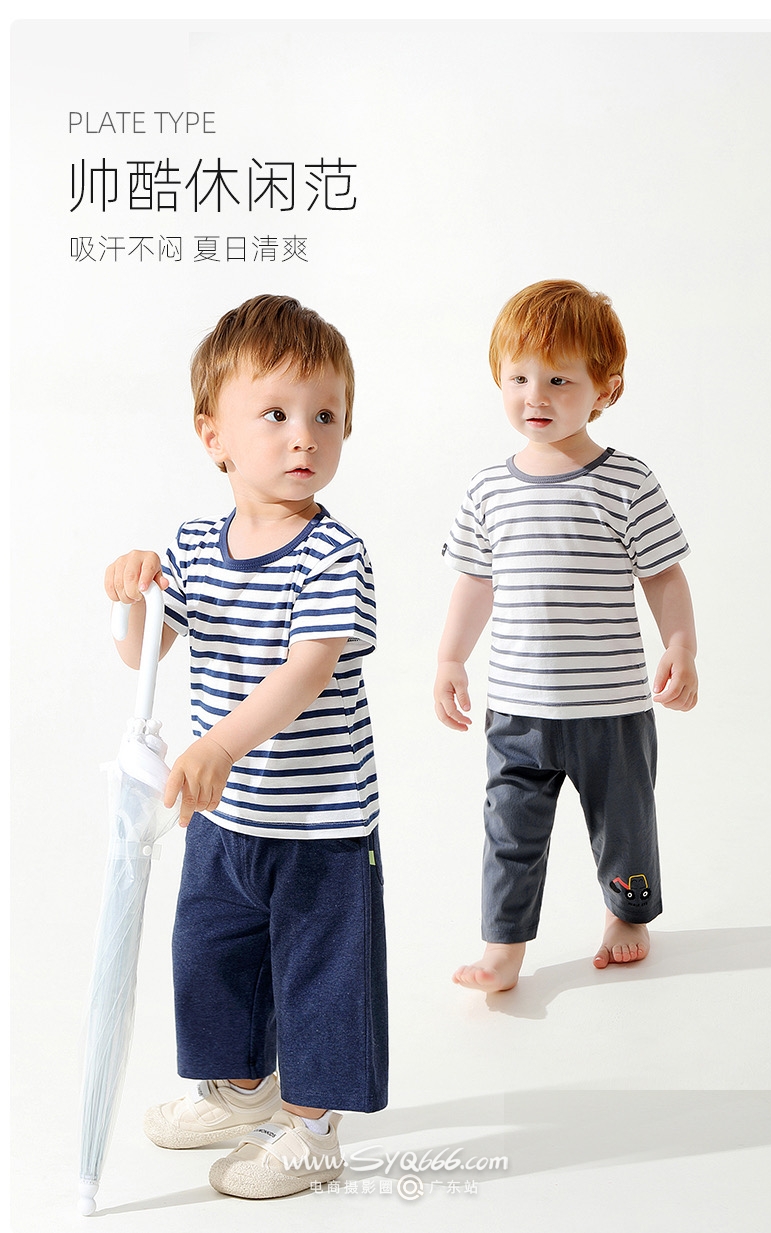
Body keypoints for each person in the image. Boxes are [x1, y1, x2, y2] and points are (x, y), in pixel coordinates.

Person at [105, 294, 387, 1198]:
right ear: (213, 436)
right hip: (224, 815)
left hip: (319, 825)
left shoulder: (332, 555)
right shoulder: (195, 545)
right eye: (275, 414)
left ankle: (313, 1129)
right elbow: (143, 652)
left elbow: (307, 672)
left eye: (326, 415)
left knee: (319, 975)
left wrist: (220, 743)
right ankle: (237, 1091)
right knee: (210, 955)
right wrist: (135, 595)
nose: (305, 435)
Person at [434, 280, 697, 992]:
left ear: (605, 388)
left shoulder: (627, 482)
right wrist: (451, 657)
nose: (535, 396)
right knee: (509, 832)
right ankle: (503, 947)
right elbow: (475, 582)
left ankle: (628, 913)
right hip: (517, 711)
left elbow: (663, 576)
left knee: (625, 821)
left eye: (558, 379)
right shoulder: (488, 489)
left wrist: (680, 645)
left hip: (611, 708)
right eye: (518, 377)